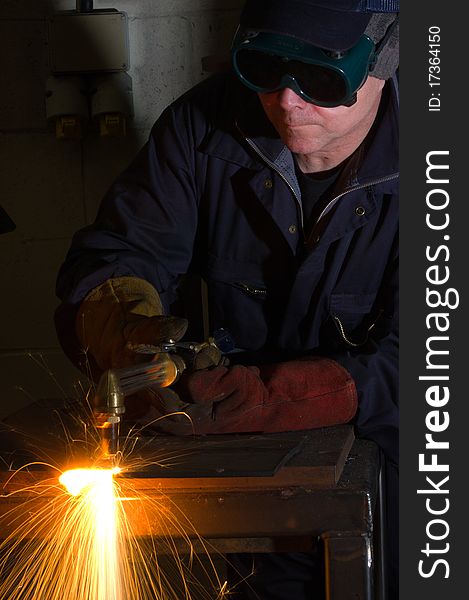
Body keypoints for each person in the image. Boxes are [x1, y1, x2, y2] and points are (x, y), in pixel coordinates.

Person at [55, 0, 399, 597]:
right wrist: (126, 324)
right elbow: (120, 253)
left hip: (397, 490)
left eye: (320, 77)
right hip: (239, 487)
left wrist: (280, 396)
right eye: (265, 69)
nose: (287, 102)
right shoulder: (204, 123)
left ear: (386, 58)